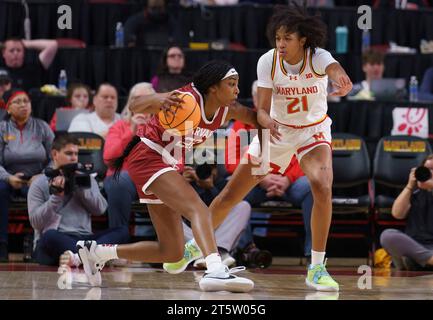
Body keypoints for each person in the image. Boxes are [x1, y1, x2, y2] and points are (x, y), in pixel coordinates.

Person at [168, 4, 353, 292]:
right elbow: (262, 110)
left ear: (302, 39)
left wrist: (341, 78)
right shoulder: (268, 61)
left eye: (287, 39)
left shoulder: (317, 57)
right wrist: (266, 121)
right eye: (278, 38)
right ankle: (195, 246)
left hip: (311, 131)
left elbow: (333, 68)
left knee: (322, 185)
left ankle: (317, 267)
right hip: (275, 131)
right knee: (231, 194)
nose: (281, 44)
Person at [75, 60, 258, 292]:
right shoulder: (184, 99)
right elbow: (135, 104)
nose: (237, 90)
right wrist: (158, 99)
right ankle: (215, 269)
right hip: (148, 155)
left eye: (237, 85)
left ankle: (96, 252)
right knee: (198, 208)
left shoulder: (227, 111)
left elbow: (254, 118)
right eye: (231, 84)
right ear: (213, 87)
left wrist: (280, 125)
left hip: (168, 163)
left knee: (171, 252)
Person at [27, 134, 130, 267]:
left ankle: (80, 257)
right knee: (49, 236)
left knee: (122, 231)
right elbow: (36, 223)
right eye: (69, 153)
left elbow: (101, 209)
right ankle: (99, 256)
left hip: (85, 239)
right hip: (58, 236)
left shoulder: (86, 179)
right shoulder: (40, 182)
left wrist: (82, 190)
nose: (74, 157)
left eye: (76, 153)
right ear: (54, 154)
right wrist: (56, 197)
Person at [162, 163, 251, 272]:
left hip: (217, 231)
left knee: (243, 206)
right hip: (189, 229)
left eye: (208, 168)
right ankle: (212, 253)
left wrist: (211, 188)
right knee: (166, 207)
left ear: (215, 170)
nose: (201, 173)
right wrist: (181, 184)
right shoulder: (182, 180)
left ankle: (215, 251)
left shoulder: (221, 182)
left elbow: (225, 205)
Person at [0, 88, 55, 261]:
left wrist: (42, 175)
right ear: (8, 108)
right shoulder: (2, 129)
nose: (23, 105)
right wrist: (8, 177)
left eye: (26, 101)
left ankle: (40, 244)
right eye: (18, 102)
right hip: (8, 178)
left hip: (35, 178)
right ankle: (2, 245)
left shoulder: (42, 127)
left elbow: (56, 157)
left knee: (43, 189)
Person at [103, 82, 155, 228]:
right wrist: (131, 131)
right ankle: (118, 236)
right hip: (124, 178)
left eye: (146, 98)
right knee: (119, 178)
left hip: (155, 178)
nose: (141, 102)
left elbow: (175, 158)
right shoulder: (119, 126)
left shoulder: (163, 125)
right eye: (136, 98)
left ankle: (173, 242)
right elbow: (110, 159)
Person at [380, 155, 433, 271]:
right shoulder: (414, 193)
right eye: (427, 169)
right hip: (414, 246)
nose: (429, 173)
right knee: (387, 235)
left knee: (411, 258)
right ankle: (428, 260)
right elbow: (397, 214)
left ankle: (418, 262)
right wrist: (410, 185)